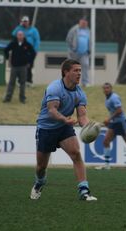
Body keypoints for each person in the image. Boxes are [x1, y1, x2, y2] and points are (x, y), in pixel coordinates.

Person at [30, 59, 97, 201]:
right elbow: (52, 111)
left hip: (64, 128)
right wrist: (65, 119)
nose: (79, 73)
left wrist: (88, 127)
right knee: (41, 166)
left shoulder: (80, 93)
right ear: (66, 72)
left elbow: (82, 116)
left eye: (80, 70)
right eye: (76, 70)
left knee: (76, 154)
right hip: (46, 129)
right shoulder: (55, 88)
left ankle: (84, 190)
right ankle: (39, 182)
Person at [3, 31, 35, 104]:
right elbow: (6, 50)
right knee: (11, 83)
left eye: (21, 35)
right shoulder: (13, 43)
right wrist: (8, 57)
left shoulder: (27, 44)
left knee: (23, 83)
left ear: (23, 36)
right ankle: (8, 98)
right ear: (17, 36)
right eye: (19, 35)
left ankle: (22, 98)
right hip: (14, 66)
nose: (20, 36)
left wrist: (29, 61)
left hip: (23, 67)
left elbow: (33, 53)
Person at [12, 16, 40, 87]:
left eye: (26, 21)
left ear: (28, 22)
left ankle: (29, 81)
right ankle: (20, 81)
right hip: (21, 51)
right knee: (20, 65)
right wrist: (19, 26)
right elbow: (13, 34)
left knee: (29, 66)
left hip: (30, 51)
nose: (25, 23)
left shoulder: (33, 30)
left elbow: (37, 40)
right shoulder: (19, 29)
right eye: (23, 21)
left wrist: (35, 50)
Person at [66, 17, 91, 87]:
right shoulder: (74, 29)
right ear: (80, 22)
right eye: (83, 22)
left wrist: (89, 49)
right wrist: (72, 49)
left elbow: (90, 41)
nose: (84, 24)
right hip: (74, 53)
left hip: (84, 53)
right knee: (72, 68)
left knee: (85, 65)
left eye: (85, 23)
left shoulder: (88, 30)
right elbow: (68, 39)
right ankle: (70, 82)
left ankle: (85, 83)